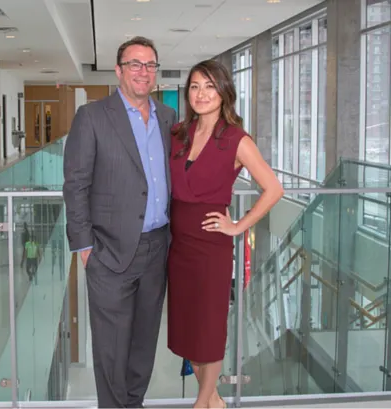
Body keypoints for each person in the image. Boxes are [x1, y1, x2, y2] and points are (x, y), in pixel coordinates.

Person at [62, 36, 177, 408]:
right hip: (109, 252)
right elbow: (76, 183)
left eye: (150, 65)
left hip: (157, 247)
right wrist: (84, 248)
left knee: (144, 346)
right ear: (119, 70)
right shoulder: (93, 117)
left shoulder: (167, 117)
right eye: (135, 64)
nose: (143, 72)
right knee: (112, 349)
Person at [167, 60, 284, 409]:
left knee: (209, 329)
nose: (201, 94)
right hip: (179, 246)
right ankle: (215, 400)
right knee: (190, 329)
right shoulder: (178, 133)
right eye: (195, 86)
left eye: (209, 86)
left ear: (224, 92)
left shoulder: (235, 139)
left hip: (211, 248)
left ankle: (202, 403)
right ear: (187, 93)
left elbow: (273, 188)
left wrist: (238, 225)